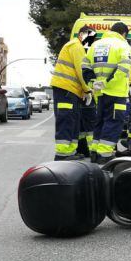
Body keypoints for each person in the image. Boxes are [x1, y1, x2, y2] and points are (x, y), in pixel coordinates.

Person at [82, 22, 131, 164]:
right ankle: (104, 154)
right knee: (113, 122)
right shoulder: (123, 45)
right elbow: (124, 68)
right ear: (124, 33)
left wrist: (93, 83)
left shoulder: (95, 45)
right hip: (116, 92)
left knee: (100, 121)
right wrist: (108, 82)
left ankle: (95, 152)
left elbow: (85, 66)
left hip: (99, 93)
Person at [50, 26, 93, 161]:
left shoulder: (75, 46)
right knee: (67, 120)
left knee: (73, 120)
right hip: (66, 89)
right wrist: (87, 90)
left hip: (70, 90)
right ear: (81, 35)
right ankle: (62, 154)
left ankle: (70, 152)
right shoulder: (76, 46)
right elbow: (82, 71)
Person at [77, 28, 98, 158]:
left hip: (83, 94)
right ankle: (91, 151)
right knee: (89, 125)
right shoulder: (81, 51)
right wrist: (87, 90)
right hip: (86, 94)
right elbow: (82, 73)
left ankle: (82, 149)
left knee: (82, 126)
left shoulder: (86, 51)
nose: (91, 41)